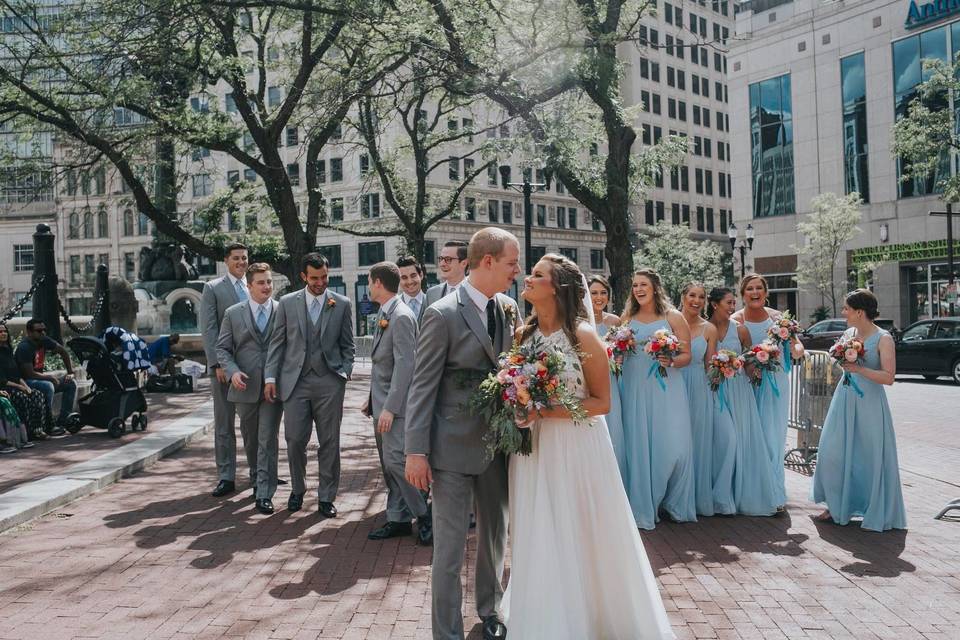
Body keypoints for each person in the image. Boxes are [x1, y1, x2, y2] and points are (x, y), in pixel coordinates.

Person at [503, 253, 674, 639]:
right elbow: (519, 388)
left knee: (580, 525)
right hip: (535, 447)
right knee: (538, 523)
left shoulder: (583, 335)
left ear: (558, 287)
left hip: (577, 445)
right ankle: (546, 611)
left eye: (537, 275)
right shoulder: (522, 336)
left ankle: (593, 616)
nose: (528, 279)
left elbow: (601, 402)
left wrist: (545, 408)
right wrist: (520, 405)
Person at [404, 227, 520, 640]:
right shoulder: (441, 313)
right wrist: (415, 452)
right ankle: (447, 633)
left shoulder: (509, 308)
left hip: (498, 444)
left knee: (494, 538)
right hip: (449, 448)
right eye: (511, 263)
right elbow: (422, 385)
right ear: (487, 261)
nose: (516, 271)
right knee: (449, 550)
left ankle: (490, 611)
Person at [264, 252, 355, 517]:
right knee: (294, 440)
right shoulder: (287, 303)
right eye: (315, 278)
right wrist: (271, 377)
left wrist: (345, 372)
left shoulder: (341, 303)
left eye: (324, 277)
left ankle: (327, 497)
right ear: (304, 276)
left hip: (329, 382)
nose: (320, 282)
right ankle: (297, 489)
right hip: (295, 382)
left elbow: (348, 345)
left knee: (330, 441)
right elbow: (277, 343)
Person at [811, 289, 907, 532]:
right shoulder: (849, 333)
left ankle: (872, 508)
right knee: (832, 452)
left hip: (870, 404)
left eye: (846, 309)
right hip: (844, 399)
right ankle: (837, 504)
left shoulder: (883, 339)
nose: (843, 312)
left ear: (859, 312)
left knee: (869, 456)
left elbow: (889, 377)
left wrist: (859, 369)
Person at [619, 268, 696, 528]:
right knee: (639, 442)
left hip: (666, 386)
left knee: (671, 446)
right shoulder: (627, 317)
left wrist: (671, 361)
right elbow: (617, 347)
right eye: (635, 285)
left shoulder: (672, 317)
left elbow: (688, 355)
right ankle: (643, 502)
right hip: (633, 385)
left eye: (643, 285)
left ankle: (671, 500)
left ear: (655, 287)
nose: (638, 289)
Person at [363, 261, 432, 545]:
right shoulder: (386, 312)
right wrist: (371, 401)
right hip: (380, 404)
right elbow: (383, 365)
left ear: (378, 283)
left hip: (397, 408)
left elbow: (406, 366)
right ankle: (399, 519)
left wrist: (391, 407)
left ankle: (425, 515)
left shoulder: (401, 316)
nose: (368, 287)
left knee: (396, 462)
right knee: (388, 463)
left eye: (369, 282)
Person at [731, 273, 804, 510]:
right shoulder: (736, 320)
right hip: (747, 384)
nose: (754, 293)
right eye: (749, 289)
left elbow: (795, 346)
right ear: (743, 294)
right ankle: (750, 492)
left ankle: (774, 493)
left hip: (775, 382)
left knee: (773, 436)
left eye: (758, 288)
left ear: (765, 292)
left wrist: (799, 349)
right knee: (750, 436)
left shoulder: (779, 319)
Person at [215, 263, 283, 515]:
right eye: (261, 282)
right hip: (244, 386)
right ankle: (257, 476)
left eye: (269, 282)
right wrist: (232, 371)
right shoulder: (233, 313)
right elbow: (222, 348)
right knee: (251, 438)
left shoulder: (282, 310)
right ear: (250, 286)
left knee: (268, 438)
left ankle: (264, 492)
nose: (267, 287)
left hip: (273, 386)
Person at [707, 288, 779, 517]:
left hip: (738, 390)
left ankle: (733, 496)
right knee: (724, 440)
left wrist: (757, 367)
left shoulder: (741, 330)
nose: (732, 307)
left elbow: (748, 361)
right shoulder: (704, 327)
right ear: (715, 304)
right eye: (728, 302)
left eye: (733, 302)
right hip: (713, 389)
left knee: (738, 440)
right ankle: (717, 494)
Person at [200, 242, 249, 498]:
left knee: (255, 424)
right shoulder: (213, 288)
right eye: (236, 258)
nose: (241, 262)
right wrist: (217, 363)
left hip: (252, 368)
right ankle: (226, 476)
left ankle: (260, 472)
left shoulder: (253, 286)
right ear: (226, 261)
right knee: (224, 424)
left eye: (244, 258)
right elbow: (209, 329)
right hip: (224, 367)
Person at [679, 282, 729, 517]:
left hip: (699, 387)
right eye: (692, 295)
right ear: (683, 296)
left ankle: (693, 497)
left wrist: (722, 373)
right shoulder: (669, 323)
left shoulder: (709, 329)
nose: (696, 300)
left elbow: (710, 365)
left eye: (701, 297)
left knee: (697, 441)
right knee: (676, 441)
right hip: (673, 384)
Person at [588, 275, 626, 476]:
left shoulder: (615, 321)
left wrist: (619, 359)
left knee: (615, 433)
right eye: (594, 292)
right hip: (589, 384)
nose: (599, 297)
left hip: (611, 383)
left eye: (603, 293)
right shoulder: (580, 322)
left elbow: (621, 351)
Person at [15, 318, 76, 436]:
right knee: (48, 386)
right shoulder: (24, 347)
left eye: (44, 330)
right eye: (39, 330)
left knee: (70, 383)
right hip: (26, 382)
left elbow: (63, 351)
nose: (42, 332)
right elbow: (29, 374)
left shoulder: (44, 340)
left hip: (39, 379)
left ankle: (63, 421)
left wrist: (70, 372)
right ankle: (48, 424)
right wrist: (50, 378)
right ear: (29, 332)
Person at [0, 323, 54, 441]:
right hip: (5, 387)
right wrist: (20, 388)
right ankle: (26, 433)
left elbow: (17, 375)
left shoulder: (8, 351)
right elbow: (2, 380)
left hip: (17, 385)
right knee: (22, 397)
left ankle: (38, 429)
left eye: (4, 331)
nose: (3, 334)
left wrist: (25, 386)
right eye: (0, 332)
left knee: (37, 394)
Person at [425, 240, 468, 308]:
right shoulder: (431, 294)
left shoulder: (476, 293)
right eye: (441, 258)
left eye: (448, 259)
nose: (442, 264)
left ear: (464, 263)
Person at [397, 256, 428, 322]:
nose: (410, 282)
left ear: (421, 275)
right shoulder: (392, 307)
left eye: (413, 276)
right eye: (404, 277)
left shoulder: (432, 303)